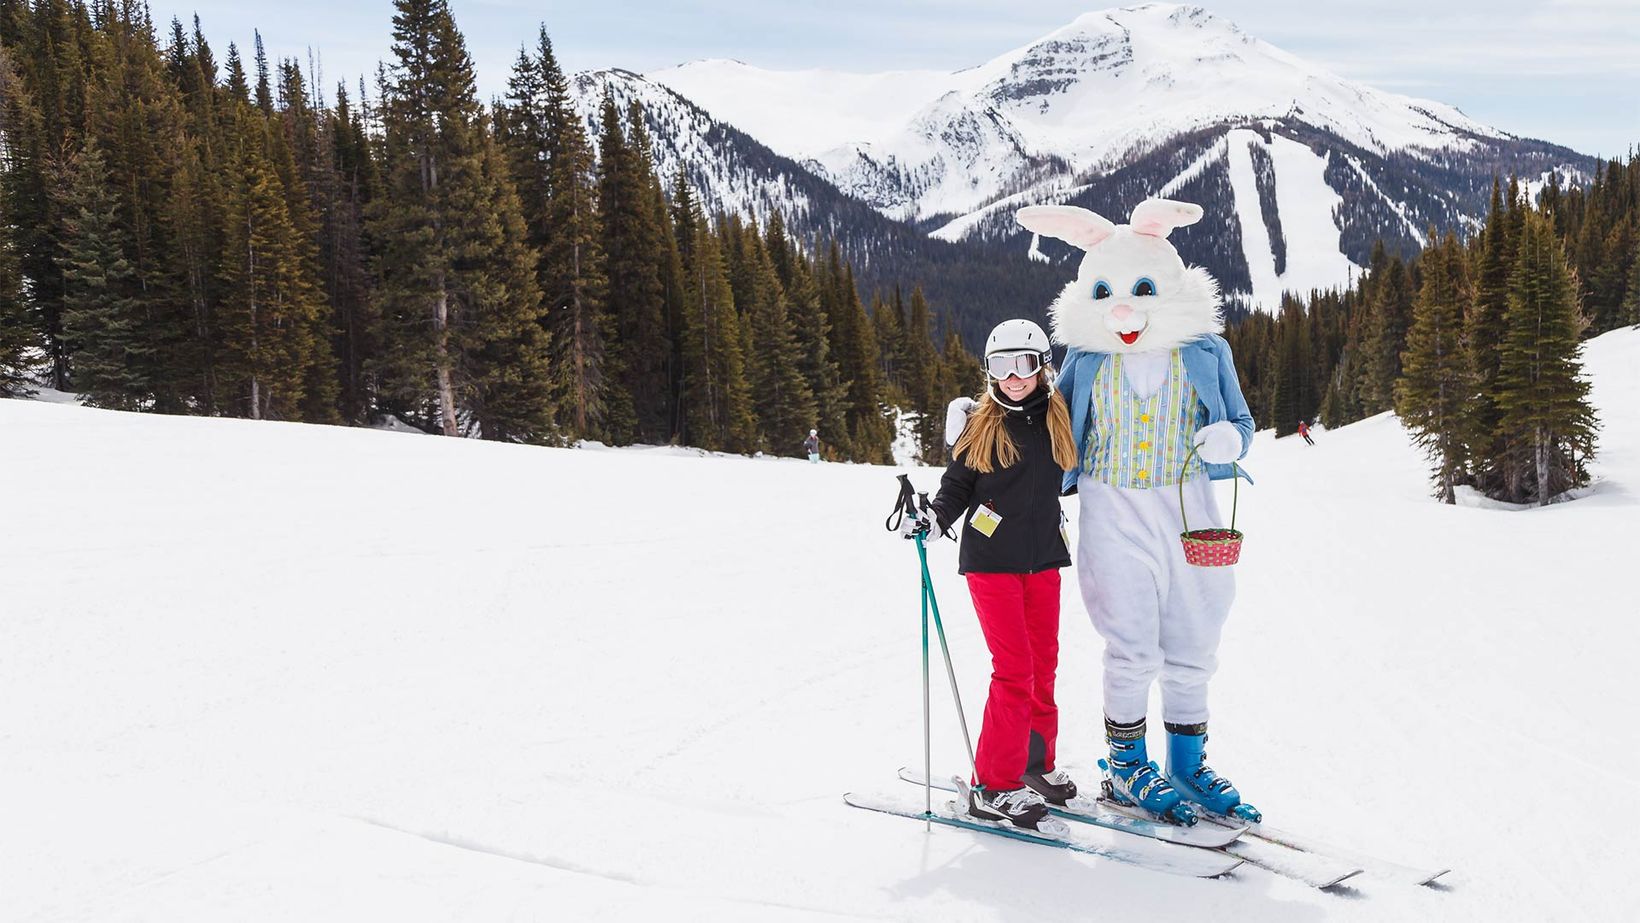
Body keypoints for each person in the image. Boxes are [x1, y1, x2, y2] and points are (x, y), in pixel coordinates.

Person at [952, 199, 1261, 826]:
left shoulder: (1205, 352)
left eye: (1142, 290)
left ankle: (1186, 763)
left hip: (1190, 509)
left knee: (1194, 637)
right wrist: (968, 429)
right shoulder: (1087, 361)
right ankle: (1124, 767)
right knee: (1131, 640)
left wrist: (1231, 440)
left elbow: (1242, 420)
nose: (1124, 308)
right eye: (1107, 292)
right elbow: (1035, 423)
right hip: (1111, 511)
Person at [904, 319, 1080, 831]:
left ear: (1042, 366)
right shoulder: (980, 422)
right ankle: (995, 784)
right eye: (1001, 367)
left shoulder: (1058, 415)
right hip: (991, 563)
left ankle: (1034, 765)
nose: (1013, 377)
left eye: (1024, 364)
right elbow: (956, 486)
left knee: (1043, 663)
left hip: (1044, 556)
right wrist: (934, 520)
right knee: (1014, 669)